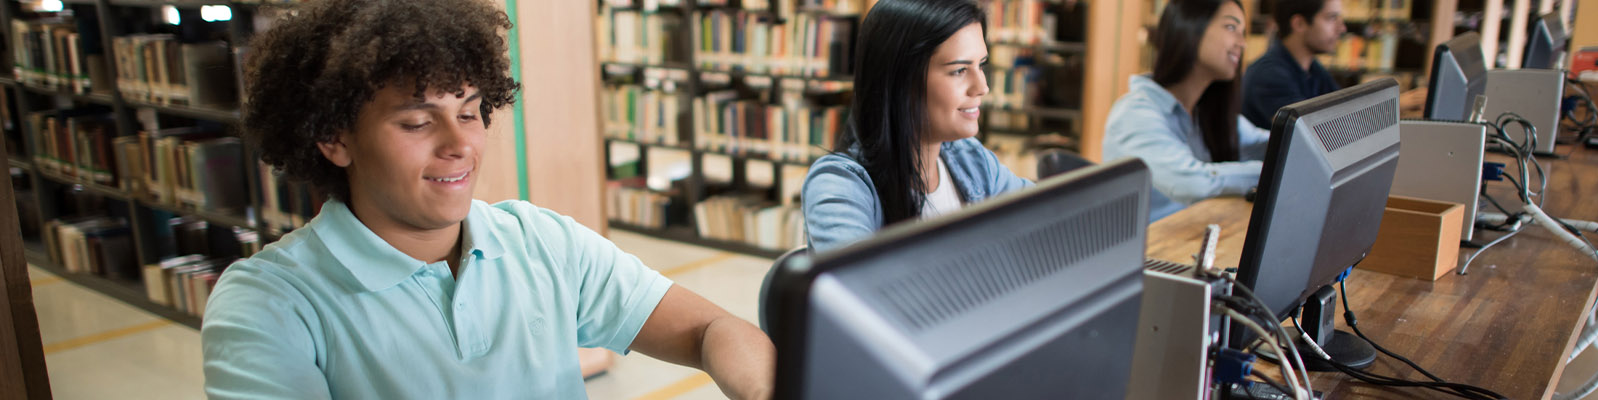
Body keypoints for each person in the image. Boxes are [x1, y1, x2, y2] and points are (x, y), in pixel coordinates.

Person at [199, 1, 774, 399]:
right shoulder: (267, 304)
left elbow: (711, 330)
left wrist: (763, 389)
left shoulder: (540, 241)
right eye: (419, 122)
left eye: (471, 112)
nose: (460, 145)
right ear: (334, 138)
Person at [802, 0, 1032, 252]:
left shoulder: (972, 160)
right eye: (959, 70)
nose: (982, 87)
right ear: (901, 80)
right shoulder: (840, 184)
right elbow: (859, 285)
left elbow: (1048, 214)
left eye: (981, 65)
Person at [1103, 0, 1269, 221]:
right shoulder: (1134, 113)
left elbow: (1273, 144)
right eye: (1231, 27)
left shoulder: (1205, 115)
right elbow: (1191, 182)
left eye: (1243, 32)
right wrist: (1266, 172)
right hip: (1149, 251)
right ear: (1190, 29)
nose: (1242, 43)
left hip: (1190, 242)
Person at [1242, 0, 1426, 128]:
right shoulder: (1268, 75)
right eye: (1331, 18)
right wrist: (1391, 105)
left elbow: (1342, 110)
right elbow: (1314, 132)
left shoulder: (1312, 69)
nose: (1342, 28)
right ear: (1299, 23)